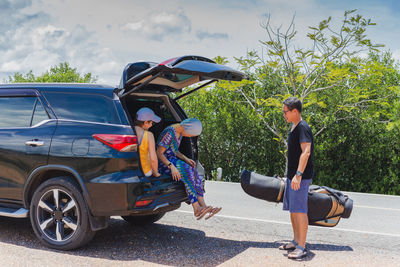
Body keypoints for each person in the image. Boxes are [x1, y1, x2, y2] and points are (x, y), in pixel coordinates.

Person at [156, 118, 221, 220]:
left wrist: (186, 159)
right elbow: (159, 153)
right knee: (187, 172)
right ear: (189, 129)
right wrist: (171, 167)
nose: (190, 137)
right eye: (191, 135)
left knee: (194, 171)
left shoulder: (179, 131)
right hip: (162, 163)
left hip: (172, 159)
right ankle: (196, 208)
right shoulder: (169, 133)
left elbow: (174, 150)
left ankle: (203, 205)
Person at [279, 97, 314, 259]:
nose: (284, 114)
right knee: (293, 210)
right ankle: (295, 240)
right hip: (292, 176)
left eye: (285, 111)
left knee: (300, 211)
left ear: (294, 111)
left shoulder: (303, 128)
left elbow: (306, 152)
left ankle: (302, 246)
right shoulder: (294, 127)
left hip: (300, 176)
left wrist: (298, 175)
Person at [135, 107, 161, 177]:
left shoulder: (129, 130)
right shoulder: (149, 135)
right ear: (146, 122)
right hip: (145, 171)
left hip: (132, 171)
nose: (152, 125)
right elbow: (153, 159)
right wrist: (155, 173)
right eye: (151, 122)